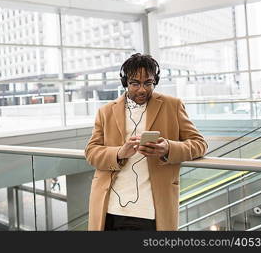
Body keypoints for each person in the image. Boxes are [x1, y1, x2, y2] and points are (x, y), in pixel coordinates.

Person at [84, 53, 207, 231]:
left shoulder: (172, 105)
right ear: (125, 82)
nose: (142, 90)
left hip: (150, 210)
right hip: (109, 208)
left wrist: (168, 148)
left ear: (154, 81)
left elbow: (199, 144)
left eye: (148, 83)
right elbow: (91, 152)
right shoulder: (106, 112)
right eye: (135, 83)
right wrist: (119, 153)